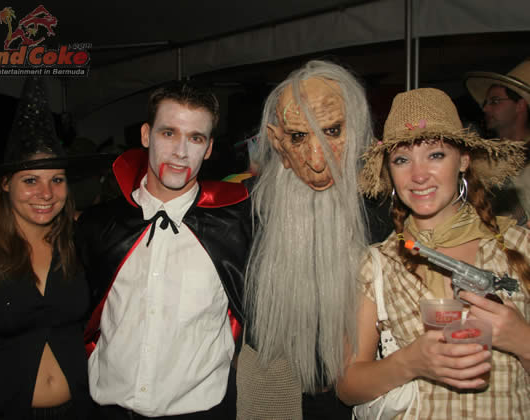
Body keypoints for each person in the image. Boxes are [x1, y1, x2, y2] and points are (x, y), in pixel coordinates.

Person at [339, 87, 530, 418]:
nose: (418, 175)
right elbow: (347, 386)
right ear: (390, 171)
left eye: (436, 155)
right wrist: (411, 362)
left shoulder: (520, 246)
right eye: (402, 160)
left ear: (464, 160)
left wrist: (521, 339)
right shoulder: (377, 263)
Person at [0, 77, 111, 419]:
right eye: (31, 180)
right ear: (5, 184)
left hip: (81, 409)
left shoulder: (77, 241)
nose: (46, 193)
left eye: (56, 180)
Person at [76, 82, 252, 419]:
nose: (180, 152)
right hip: (108, 411)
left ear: (209, 148)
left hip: (202, 412)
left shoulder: (234, 229)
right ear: (146, 135)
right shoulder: (100, 226)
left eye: (195, 138)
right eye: (169, 133)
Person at [236, 60, 372, 419]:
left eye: (332, 131)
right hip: (274, 392)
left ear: (357, 129)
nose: (317, 160)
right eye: (298, 137)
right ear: (278, 143)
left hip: (357, 396)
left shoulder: (384, 212)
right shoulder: (244, 213)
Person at [465, 58, 530, 222]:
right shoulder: (480, 159)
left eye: (495, 101)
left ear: (520, 105)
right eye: (486, 103)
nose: (485, 108)